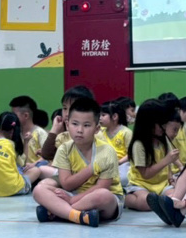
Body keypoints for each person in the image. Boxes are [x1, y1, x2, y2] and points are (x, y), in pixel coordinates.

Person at [32, 96, 123, 227]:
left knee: (103, 195)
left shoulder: (107, 151)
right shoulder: (64, 149)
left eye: (86, 125)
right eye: (75, 124)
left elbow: (102, 187)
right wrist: (91, 168)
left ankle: (59, 212)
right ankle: (79, 216)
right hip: (73, 193)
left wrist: (72, 200)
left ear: (97, 129)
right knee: (39, 190)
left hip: (103, 198)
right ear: (67, 124)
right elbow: (67, 184)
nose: (80, 130)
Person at [124, 99, 181, 212]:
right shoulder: (138, 145)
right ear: (148, 123)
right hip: (141, 185)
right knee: (145, 203)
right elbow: (146, 174)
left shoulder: (163, 139)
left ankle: (159, 201)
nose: (164, 127)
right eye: (161, 124)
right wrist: (166, 160)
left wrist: (179, 172)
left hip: (162, 184)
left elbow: (173, 159)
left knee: (176, 198)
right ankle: (127, 198)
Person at [0, 112, 32, 197]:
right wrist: (26, 142)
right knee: (36, 171)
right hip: (13, 189)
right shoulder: (12, 144)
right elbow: (23, 163)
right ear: (12, 131)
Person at [38, 85, 95, 163]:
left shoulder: (94, 132)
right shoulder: (63, 136)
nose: (67, 113)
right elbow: (47, 155)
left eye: (72, 108)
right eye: (65, 108)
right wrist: (54, 130)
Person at [99, 99, 132, 183]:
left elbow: (131, 154)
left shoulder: (126, 132)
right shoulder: (100, 132)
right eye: (99, 115)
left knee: (123, 178)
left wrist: (118, 162)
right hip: (104, 164)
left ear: (114, 116)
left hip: (122, 164)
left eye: (103, 115)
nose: (100, 118)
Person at [9, 95, 48, 166]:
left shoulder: (40, 133)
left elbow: (48, 156)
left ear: (26, 116)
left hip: (37, 170)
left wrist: (33, 165)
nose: (12, 117)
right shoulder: (14, 133)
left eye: (14, 115)